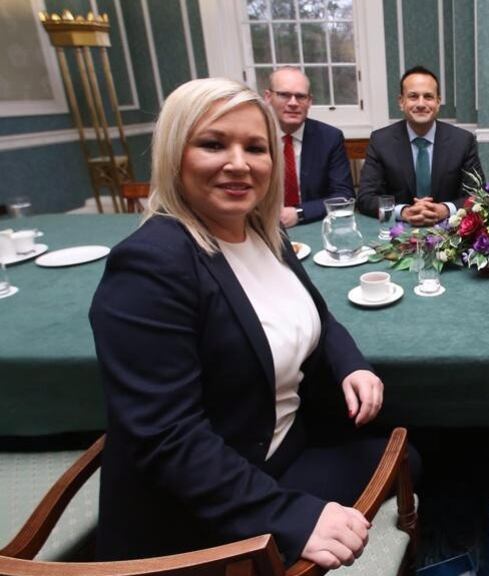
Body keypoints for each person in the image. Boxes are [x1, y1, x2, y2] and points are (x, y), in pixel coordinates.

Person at [90, 78, 414, 570]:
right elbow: (169, 440)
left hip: (285, 445)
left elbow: (317, 316)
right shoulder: (149, 266)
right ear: (175, 153)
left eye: (255, 148)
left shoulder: (263, 235)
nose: (239, 163)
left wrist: (350, 364)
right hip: (211, 500)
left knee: (413, 456)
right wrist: (291, 517)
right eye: (214, 144)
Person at [355, 66, 482, 226]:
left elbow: (478, 195)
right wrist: (404, 212)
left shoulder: (463, 141)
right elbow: (365, 198)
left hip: (448, 230)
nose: (421, 104)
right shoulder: (381, 141)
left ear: (438, 102)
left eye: (428, 96)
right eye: (413, 96)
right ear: (401, 102)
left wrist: (445, 209)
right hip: (398, 231)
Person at [263, 66, 355, 227]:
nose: (293, 103)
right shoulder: (253, 137)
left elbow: (343, 195)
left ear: (309, 101)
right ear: (268, 97)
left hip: (313, 224)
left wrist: (299, 213)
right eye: (284, 95)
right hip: (263, 225)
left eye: (300, 96)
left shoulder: (329, 138)